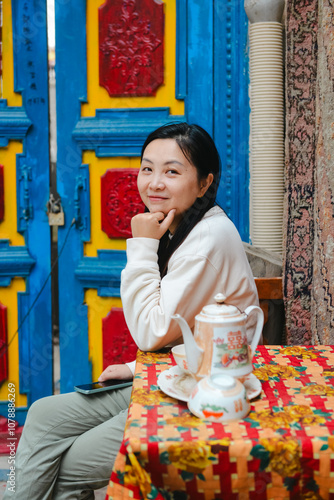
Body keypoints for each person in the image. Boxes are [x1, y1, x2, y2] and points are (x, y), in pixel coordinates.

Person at [4, 122, 259, 499]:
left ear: (205, 183)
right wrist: (135, 368)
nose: (154, 183)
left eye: (172, 171)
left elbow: (151, 332)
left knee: (62, 466)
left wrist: (141, 244)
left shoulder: (207, 237)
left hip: (204, 391)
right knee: (41, 415)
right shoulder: (179, 226)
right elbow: (177, 329)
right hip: (172, 374)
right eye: (147, 168)